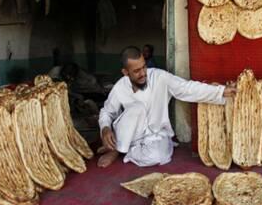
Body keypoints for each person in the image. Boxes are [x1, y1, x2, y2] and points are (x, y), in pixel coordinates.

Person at [97, 46, 236, 168]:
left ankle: (123, 148)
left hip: (155, 135)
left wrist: (220, 91)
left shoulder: (159, 77)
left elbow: (187, 88)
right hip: (131, 133)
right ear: (126, 72)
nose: (143, 73)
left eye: (144, 67)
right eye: (137, 71)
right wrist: (105, 128)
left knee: (159, 157)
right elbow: (107, 112)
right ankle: (115, 150)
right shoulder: (120, 87)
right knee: (136, 108)